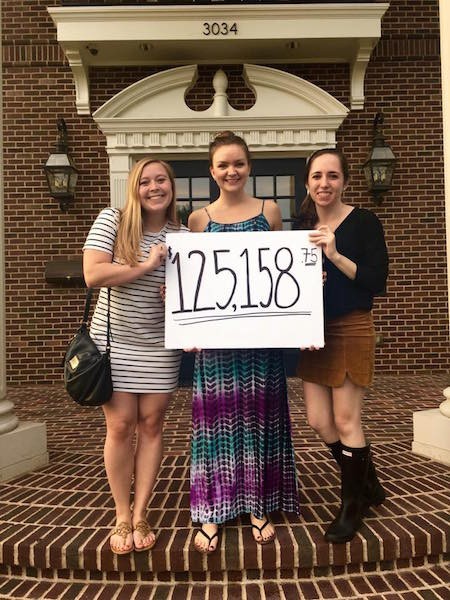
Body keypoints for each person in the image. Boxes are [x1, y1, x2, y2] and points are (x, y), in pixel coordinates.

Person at [187, 130, 300, 554]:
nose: (231, 171)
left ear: (248, 166)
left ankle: (258, 506)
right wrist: (179, 304)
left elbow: (278, 271)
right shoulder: (199, 220)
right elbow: (192, 283)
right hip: (215, 346)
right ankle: (214, 510)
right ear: (212, 170)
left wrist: (306, 283)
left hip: (259, 344)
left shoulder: (269, 211)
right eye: (223, 164)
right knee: (216, 422)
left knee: (258, 416)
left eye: (238, 163)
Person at [83, 158, 187, 555]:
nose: (154, 187)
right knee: (121, 426)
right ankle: (121, 514)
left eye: (161, 179)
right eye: (145, 181)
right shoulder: (114, 219)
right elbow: (94, 274)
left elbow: (189, 291)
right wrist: (146, 266)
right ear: (134, 187)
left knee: (152, 423)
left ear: (171, 186)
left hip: (160, 346)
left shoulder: (181, 234)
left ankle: (142, 512)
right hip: (115, 342)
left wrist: (174, 296)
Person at [296, 148, 388, 544]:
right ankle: (368, 481)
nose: (324, 184)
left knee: (347, 420)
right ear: (308, 183)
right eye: (317, 176)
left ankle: (352, 506)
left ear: (345, 181)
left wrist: (333, 255)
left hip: (350, 326)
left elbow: (375, 280)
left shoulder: (364, 222)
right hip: (314, 332)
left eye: (332, 176)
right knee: (319, 419)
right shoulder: (302, 225)